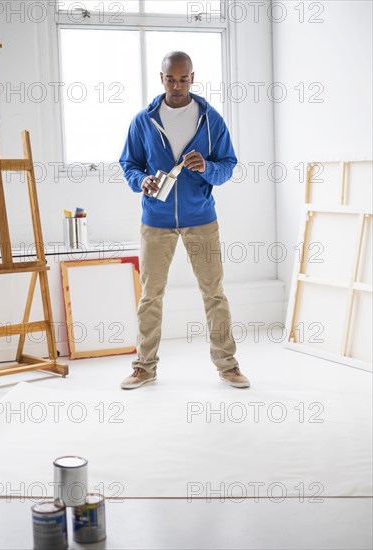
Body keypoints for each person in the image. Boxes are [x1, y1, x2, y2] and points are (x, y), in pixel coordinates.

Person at [119, 51, 250, 390]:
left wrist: (207, 166)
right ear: (160, 78)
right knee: (150, 295)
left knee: (214, 293)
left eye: (183, 78)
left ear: (193, 77)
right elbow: (129, 165)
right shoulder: (143, 121)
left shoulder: (211, 120)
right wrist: (141, 181)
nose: (177, 86)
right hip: (156, 220)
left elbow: (228, 166)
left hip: (201, 218)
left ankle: (228, 365)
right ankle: (144, 367)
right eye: (170, 79)